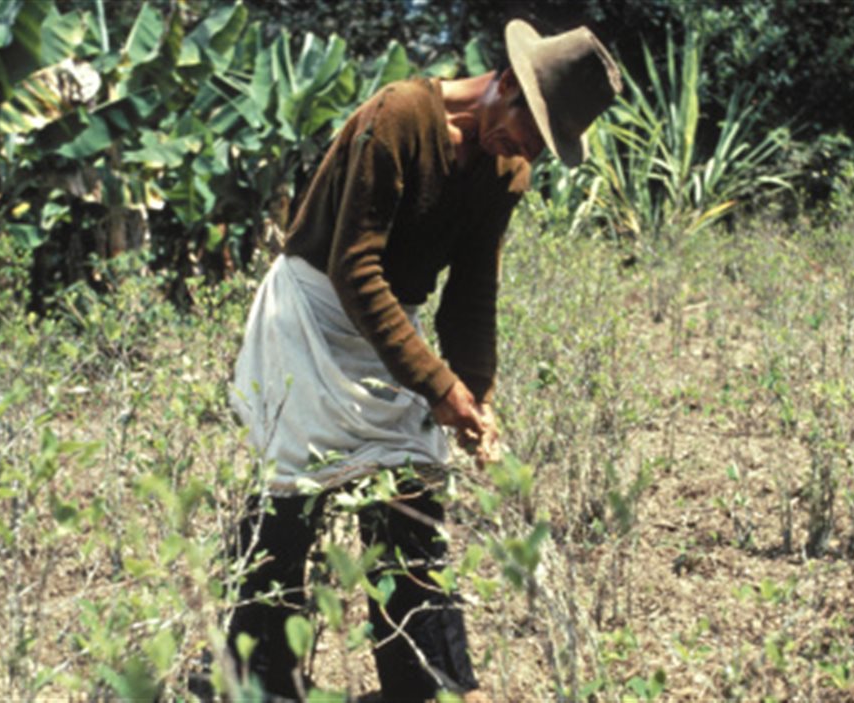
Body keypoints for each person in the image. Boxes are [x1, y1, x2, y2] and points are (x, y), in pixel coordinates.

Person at [227, 19, 621, 701]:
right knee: (291, 503)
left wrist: (477, 394)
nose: (521, 150)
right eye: (524, 131)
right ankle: (246, 679)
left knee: (413, 498)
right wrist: (439, 387)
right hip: (314, 313)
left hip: (387, 325)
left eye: (537, 147)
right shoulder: (402, 115)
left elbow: (471, 292)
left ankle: (430, 685)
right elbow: (354, 268)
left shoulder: (506, 171)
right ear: (506, 86)